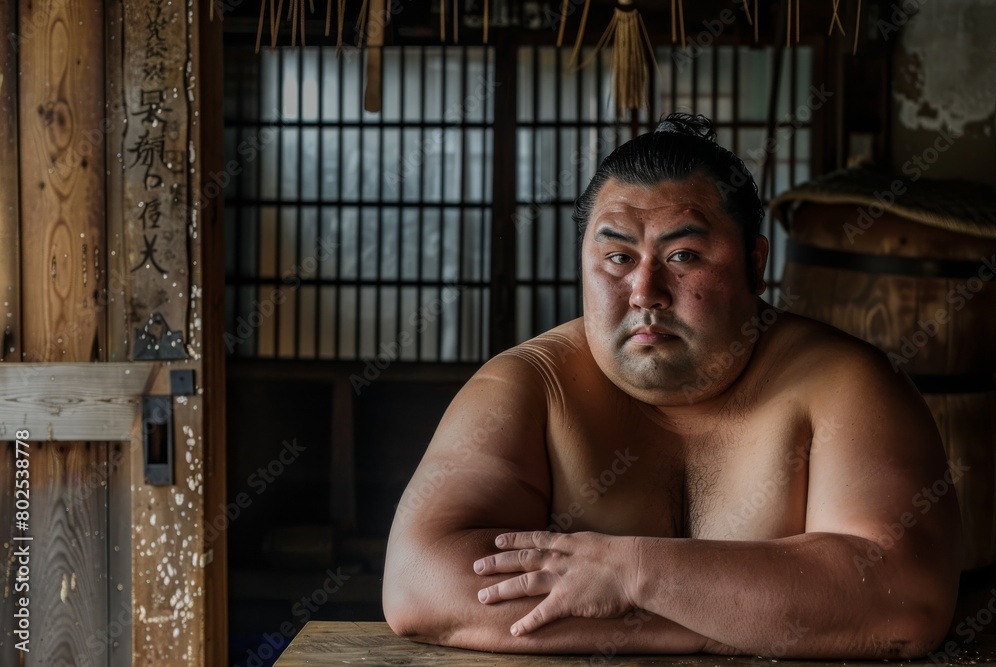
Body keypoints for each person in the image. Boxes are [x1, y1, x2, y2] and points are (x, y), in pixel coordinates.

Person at [381, 113, 961, 658]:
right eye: (616, 258)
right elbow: (420, 586)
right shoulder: (529, 385)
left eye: (683, 254)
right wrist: (737, 620)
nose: (644, 292)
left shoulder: (846, 385)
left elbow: (904, 601)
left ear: (756, 266)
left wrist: (632, 572)